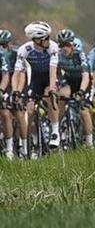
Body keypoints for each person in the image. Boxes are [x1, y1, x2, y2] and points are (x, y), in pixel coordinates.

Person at [15, 21, 61, 152]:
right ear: (36, 40)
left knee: (49, 96)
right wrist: (16, 91)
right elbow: (17, 73)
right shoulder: (25, 49)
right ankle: (32, 141)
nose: (48, 39)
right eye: (45, 38)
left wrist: (52, 88)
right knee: (29, 110)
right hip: (35, 79)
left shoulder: (53, 47)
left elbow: (53, 70)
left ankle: (55, 132)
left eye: (48, 36)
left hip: (50, 77)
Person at [54, 29, 94, 147]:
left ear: (72, 44)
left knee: (83, 110)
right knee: (61, 99)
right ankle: (58, 129)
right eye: (61, 45)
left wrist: (81, 91)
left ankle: (89, 144)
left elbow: (86, 76)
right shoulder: (57, 54)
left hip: (83, 82)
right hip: (69, 81)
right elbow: (56, 73)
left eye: (67, 44)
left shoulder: (79, 54)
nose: (64, 48)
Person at [1, 29, 17, 158]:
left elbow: (7, 76)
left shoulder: (15, 54)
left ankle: (10, 148)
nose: (2, 48)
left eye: (4, 45)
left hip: (11, 84)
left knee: (6, 113)